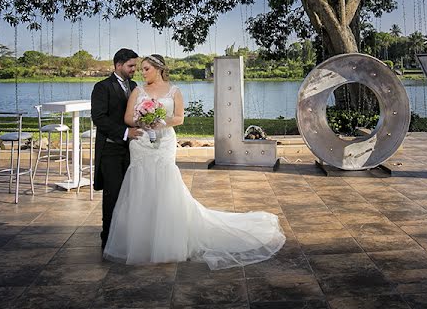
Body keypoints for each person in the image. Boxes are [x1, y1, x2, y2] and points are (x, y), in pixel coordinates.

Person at [103, 54, 286, 269]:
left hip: (164, 143)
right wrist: (142, 120)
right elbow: (127, 118)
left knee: (165, 185)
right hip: (141, 143)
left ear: (159, 69)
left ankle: (167, 241)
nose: (142, 73)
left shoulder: (174, 91)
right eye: (141, 69)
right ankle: (142, 242)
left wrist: (159, 121)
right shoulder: (137, 91)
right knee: (141, 186)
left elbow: (180, 118)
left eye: (146, 69)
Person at [91, 48, 143, 249]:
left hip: (132, 150)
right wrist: (125, 132)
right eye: (131, 66)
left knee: (130, 195)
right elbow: (99, 118)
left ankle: (125, 237)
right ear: (118, 65)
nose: (134, 70)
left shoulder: (135, 86)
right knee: (112, 195)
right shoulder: (102, 87)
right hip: (111, 150)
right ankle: (108, 240)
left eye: (135, 66)